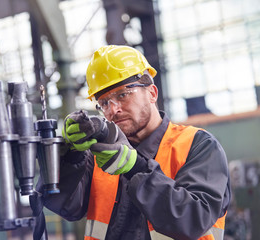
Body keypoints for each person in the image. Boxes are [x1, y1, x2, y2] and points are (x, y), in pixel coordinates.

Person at [38, 45, 231, 239]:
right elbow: (64, 204)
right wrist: (72, 157)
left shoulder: (197, 145)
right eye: (104, 103)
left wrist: (136, 168)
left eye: (123, 95)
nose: (113, 110)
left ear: (152, 93)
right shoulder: (99, 157)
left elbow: (193, 219)